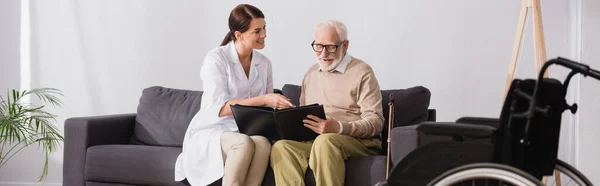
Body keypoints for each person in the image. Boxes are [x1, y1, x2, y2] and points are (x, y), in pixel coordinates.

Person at [174, 4, 293, 186]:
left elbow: (267, 107)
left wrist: (280, 106)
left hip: (247, 129)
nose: (264, 34)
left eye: (265, 28)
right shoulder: (216, 59)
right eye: (257, 31)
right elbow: (220, 108)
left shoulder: (264, 63)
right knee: (243, 144)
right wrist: (264, 99)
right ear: (239, 35)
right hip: (214, 129)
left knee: (262, 144)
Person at [269, 20, 385, 186]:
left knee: (326, 141)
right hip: (317, 140)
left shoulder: (362, 72)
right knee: (282, 147)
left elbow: (376, 122)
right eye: (318, 46)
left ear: (345, 45)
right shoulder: (311, 74)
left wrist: (338, 127)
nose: (323, 54)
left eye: (330, 47)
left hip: (359, 141)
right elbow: (304, 116)